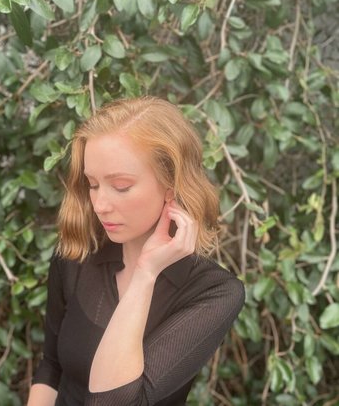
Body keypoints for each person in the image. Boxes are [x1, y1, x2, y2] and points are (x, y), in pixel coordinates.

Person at [27, 96, 245, 405]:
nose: (100, 205)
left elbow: (113, 401)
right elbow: (51, 366)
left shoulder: (214, 292)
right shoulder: (77, 256)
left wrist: (145, 274)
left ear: (171, 186)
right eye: (92, 184)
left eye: (121, 186)